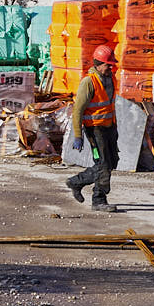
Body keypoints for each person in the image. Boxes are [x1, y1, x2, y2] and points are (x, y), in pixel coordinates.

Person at [66, 44, 119, 212]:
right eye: (107, 64)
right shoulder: (88, 82)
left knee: (111, 162)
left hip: (109, 127)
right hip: (95, 130)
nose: (110, 67)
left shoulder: (111, 78)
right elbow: (77, 111)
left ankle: (76, 182)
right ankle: (98, 200)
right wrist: (78, 135)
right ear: (97, 64)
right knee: (102, 164)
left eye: (111, 64)